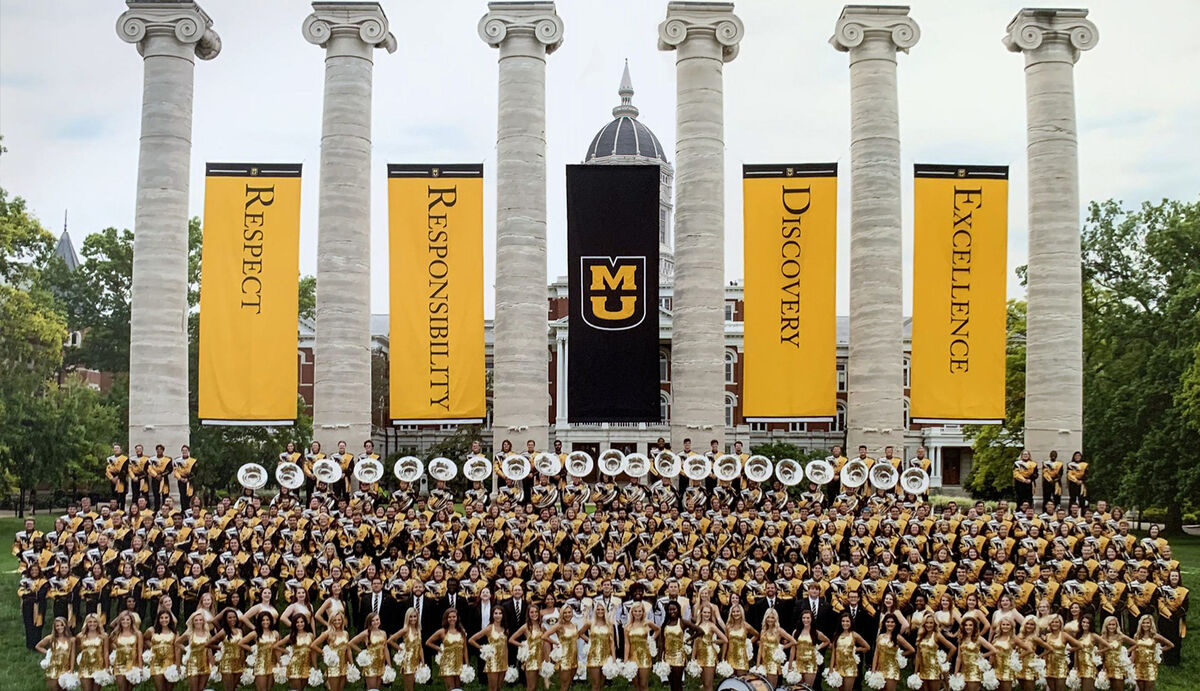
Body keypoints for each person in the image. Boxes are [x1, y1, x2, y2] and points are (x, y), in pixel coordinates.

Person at [425, 608, 468, 690]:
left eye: (454, 617)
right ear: (446, 618)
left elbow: (465, 649)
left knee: (458, 688)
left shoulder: (462, 631)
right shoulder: (442, 632)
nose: (452, 619)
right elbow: (428, 642)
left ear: (457, 618)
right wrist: (439, 648)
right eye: (449, 617)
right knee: (451, 688)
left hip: (459, 663)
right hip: (447, 663)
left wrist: (467, 663)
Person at [510, 603, 549, 691]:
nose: (534, 614)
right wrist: (523, 645)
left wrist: (546, 658)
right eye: (531, 612)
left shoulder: (541, 626)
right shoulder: (525, 627)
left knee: (535, 686)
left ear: (539, 613)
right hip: (530, 659)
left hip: (540, 657)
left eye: (536, 612)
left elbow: (545, 641)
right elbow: (511, 639)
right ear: (528, 614)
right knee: (530, 687)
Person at [871, 613, 915, 691]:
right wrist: (873, 669)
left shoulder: (898, 637)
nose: (890, 624)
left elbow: (911, 650)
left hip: (892, 669)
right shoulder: (880, 636)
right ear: (884, 623)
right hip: (880, 669)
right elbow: (876, 654)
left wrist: (899, 655)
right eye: (888, 622)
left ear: (895, 624)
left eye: (892, 622)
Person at [1130, 615, 1173, 691]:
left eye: (1147, 623)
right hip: (1138, 665)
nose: (1145, 625)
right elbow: (1134, 649)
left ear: (1151, 624)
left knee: (1148, 688)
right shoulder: (1137, 636)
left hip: (1150, 666)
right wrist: (1131, 661)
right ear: (1141, 624)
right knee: (1139, 688)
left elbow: (1170, 645)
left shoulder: (1155, 636)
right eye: (1143, 623)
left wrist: (1158, 650)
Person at [238, 612, 279, 691]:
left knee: (269, 689)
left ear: (271, 621)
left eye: (267, 620)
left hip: (272, 663)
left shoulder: (276, 633)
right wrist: (253, 649)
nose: (265, 622)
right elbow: (241, 643)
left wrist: (279, 663)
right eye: (263, 620)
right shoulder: (255, 633)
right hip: (260, 664)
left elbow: (277, 649)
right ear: (259, 622)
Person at [831, 611, 871, 691]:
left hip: (850, 667)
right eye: (843, 621)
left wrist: (856, 649)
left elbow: (867, 647)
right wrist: (831, 668)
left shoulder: (854, 635)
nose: (845, 623)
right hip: (839, 666)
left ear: (851, 622)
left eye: (847, 621)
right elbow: (833, 652)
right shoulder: (837, 634)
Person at [349, 611, 388, 690]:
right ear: (369, 622)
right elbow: (351, 643)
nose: (375, 622)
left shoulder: (383, 633)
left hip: (380, 663)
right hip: (370, 664)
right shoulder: (366, 633)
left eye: (377, 620)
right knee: (371, 689)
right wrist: (362, 652)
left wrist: (389, 664)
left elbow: (385, 649)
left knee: (377, 688)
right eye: (373, 621)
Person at [388, 608, 424, 691]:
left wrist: (422, 661)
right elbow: (390, 640)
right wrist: (401, 649)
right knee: (409, 688)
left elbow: (420, 647)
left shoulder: (418, 630)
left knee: (413, 686)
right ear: (407, 618)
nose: (413, 619)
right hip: (408, 661)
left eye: (415, 616)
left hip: (416, 660)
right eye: (410, 617)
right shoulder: (405, 629)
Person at [35, 616, 75, 691]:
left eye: (62, 625)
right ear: (54, 627)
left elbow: (72, 655)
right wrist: (48, 652)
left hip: (65, 668)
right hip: (52, 668)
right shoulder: (50, 638)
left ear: (65, 626)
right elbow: (38, 646)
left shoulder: (71, 640)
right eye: (57, 625)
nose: (60, 627)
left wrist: (72, 668)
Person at [176, 611, 212, 691]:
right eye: (196, 620)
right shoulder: (189, 633)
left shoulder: (207, 633)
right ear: (193, 622)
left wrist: (212, 664)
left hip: (204, 664)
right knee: (193, 689)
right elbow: (177, 643)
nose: (198, 622)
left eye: (200, 620)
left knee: (202, 688)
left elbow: (209, 649)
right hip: (192, 664)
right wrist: (186, 649)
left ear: (203, 621)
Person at [109, 610, 142, 691]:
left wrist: (140, 667)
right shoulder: (116, 633)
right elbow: (109, 643)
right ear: (120, 621)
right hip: (119, 664)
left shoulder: (138, 633)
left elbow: (140, 651)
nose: (125, 621)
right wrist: (115, 650)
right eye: (123, 619)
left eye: (128, 619)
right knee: (122, 688)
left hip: (133, 664)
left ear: (131, 621)